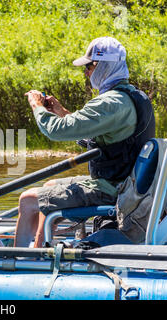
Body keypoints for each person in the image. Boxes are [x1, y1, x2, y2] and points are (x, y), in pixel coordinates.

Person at [14, 36, 155, 248]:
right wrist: (60, 112)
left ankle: (21, 260)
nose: (86, 73)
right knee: (50, 186)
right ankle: (40, 248)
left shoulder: (110, 103)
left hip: (114, 189)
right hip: (125, 184)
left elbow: (56, 131)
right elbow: (91, 138)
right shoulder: (132, 96)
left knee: (27, 200)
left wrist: (37, 107)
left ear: (101, 66)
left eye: (89, 67)